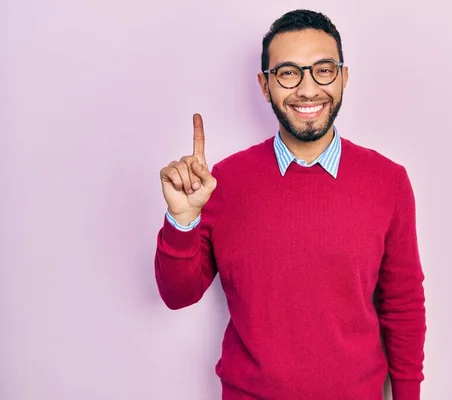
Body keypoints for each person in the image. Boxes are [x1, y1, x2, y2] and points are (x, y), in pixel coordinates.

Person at [155, 9, 426, 400]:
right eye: (288, 73)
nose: (307, 89)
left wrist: (407, 396)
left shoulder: (389, 181)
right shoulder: (223, 182)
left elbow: (402, 304)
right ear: (265, 86)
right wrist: (181, 221)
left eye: (324, 70)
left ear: (343, 78)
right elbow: (177, 295)